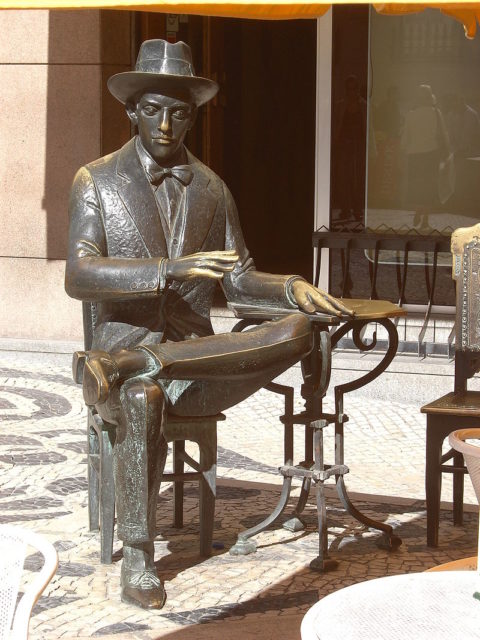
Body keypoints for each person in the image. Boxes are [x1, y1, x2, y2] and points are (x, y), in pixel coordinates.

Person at [65, 39, 352, 609]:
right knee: (143, 394)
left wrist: (290, 287)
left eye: (179, 112)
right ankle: (141, 556)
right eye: (153, 109)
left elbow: (240, 280)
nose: (167, 124)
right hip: (123, 366)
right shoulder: (94, 182)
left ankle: (146, 362)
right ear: (132, 111)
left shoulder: (213, 189)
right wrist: (169, 270)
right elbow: (79, 272)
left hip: (198, 360)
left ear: (193, 115)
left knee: (298, 329)